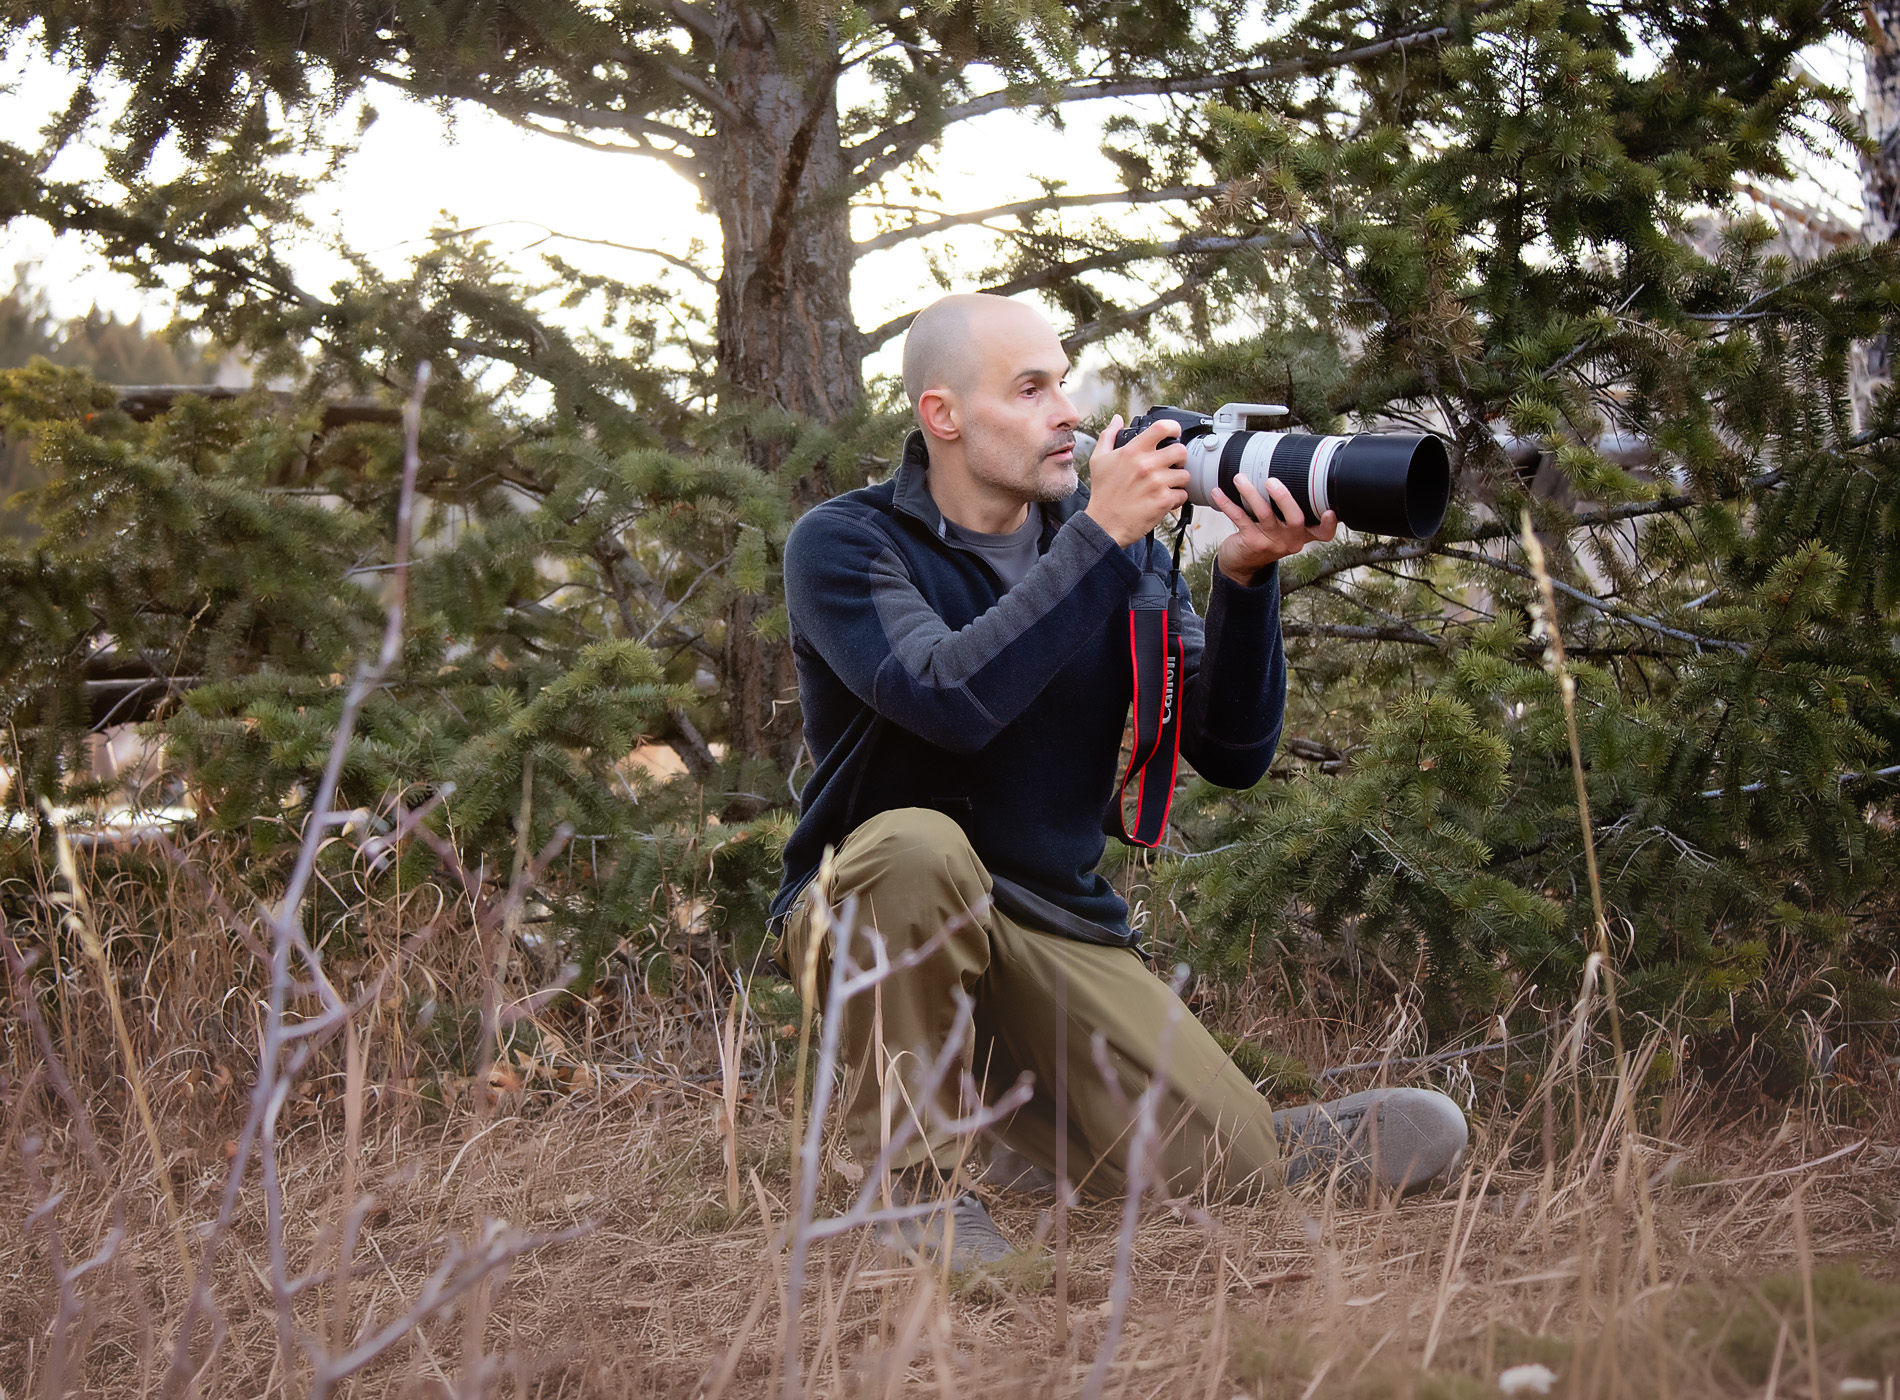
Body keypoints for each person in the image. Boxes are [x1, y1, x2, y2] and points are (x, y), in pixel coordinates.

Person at [770, 293, 1467, 1268]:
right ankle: (905, 1186)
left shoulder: (1113, 545)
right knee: (916, 844)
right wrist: (1099, 537)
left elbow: (1230, 749)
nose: (1066, 408)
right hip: (876, 907)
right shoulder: (849, 544)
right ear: (944, 416)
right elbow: (948, 696)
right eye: (1030, 388)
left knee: (1236, 1169)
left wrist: (1247, 574)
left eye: (1063, 380)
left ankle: (1048, 1141)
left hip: (1051, 916)